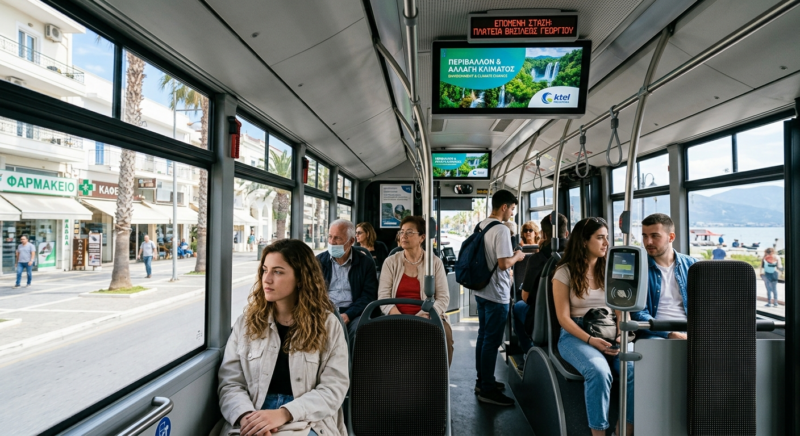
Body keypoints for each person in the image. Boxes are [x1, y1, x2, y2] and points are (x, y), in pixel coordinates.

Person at [217, 239, 348, 436]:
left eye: (278, 272)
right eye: (264, 270)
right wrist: (248, 419)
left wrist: (284, 413)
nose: (267, 279)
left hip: (306, 417)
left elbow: (333, 388)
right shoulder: (246, 323)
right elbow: (231, 383)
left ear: (301, 278)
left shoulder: (327, 325)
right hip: (253, 413)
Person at [552, 217, 634, 436]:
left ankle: (623, 430)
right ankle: (598, 433)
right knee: (599, 372)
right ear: (583, 241)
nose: (606, 243)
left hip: (609, 331)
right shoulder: (564, 272)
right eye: (600, 238)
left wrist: (620, 336)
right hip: (576, 335)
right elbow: (563, 318)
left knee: (634, 369)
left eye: (607, 237)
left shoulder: (612, 269)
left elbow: (620, 310)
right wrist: (590, 340)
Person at [473, 189, 526, 406]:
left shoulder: (481, 225)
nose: (512, 213)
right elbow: (504, 263)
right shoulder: (502, 230)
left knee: (483, 337)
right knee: (491, 342)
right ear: (504, 207)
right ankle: (487, 389)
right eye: (512, 208)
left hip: (482, 290)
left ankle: (483, 380)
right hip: (497, 293)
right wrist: (518, 256)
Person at [378, 216, 455, 365]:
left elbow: (443, 298)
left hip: (427, 315)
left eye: (409, 232)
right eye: (401, 232)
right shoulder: (391, 262)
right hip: (396, 316)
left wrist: (423, 316)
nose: (403, 236)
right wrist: (401, 318)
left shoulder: (434, 263)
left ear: (422, 237)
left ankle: (439, 383)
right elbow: (383, 297)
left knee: (444, 335)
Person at [631, 213, 697, 339]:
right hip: (654, 333)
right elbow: (638, 312)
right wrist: (669, 333)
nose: (648, 242)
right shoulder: (638, 268)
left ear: (671, 237)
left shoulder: (692, 266)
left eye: (655, 236)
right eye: (645, 236)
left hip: (690, 330)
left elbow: (707, 306)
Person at [514, 213, 569, 353]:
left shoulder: (536, 259)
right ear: (567, 233)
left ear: (543, 234)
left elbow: (526, 297)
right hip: (573, 314)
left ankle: (527, 351)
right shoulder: (577, 256)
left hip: (543, 316)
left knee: (517, 307)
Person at [317, 219, 378, 344]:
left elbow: (368, 295)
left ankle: (351, 364)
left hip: (354, 312)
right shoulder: (318, 262)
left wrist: (348, 315)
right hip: (325, 310)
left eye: (337, 238)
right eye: (330, 237)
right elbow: (312, 292)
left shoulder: (365, 263)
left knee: (358, 332)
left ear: (351, 241)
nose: (332, 242)